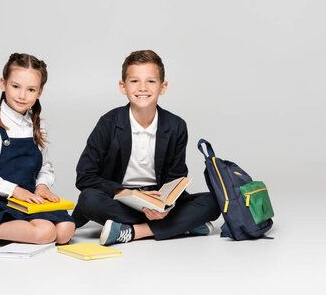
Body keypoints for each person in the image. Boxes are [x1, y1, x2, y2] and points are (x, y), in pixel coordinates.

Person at [72, 50, 220, 245]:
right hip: (121, 197)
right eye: (134, 81)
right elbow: (85, 176)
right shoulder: (108, 123)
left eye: (151, 81)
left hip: (157, 198)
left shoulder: (176, 126)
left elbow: (176, 177)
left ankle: (133, 231)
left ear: (163, 86)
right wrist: (128, 194)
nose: (143, 88)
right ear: (123, 87)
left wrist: (165, 205)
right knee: (88, 199)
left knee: (214, 201)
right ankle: (178, 226)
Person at [0, 53, 75, 244]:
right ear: (3, 84)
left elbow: (45, 167)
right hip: (3, 200)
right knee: (45, 233)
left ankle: (20, 228)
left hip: (30, 200)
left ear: (40, 92)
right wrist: (14, 190)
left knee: (66, 230)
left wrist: (42, 186)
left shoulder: (37, 125)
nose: (22, 95)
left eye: (31, 89)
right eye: (15, 86)